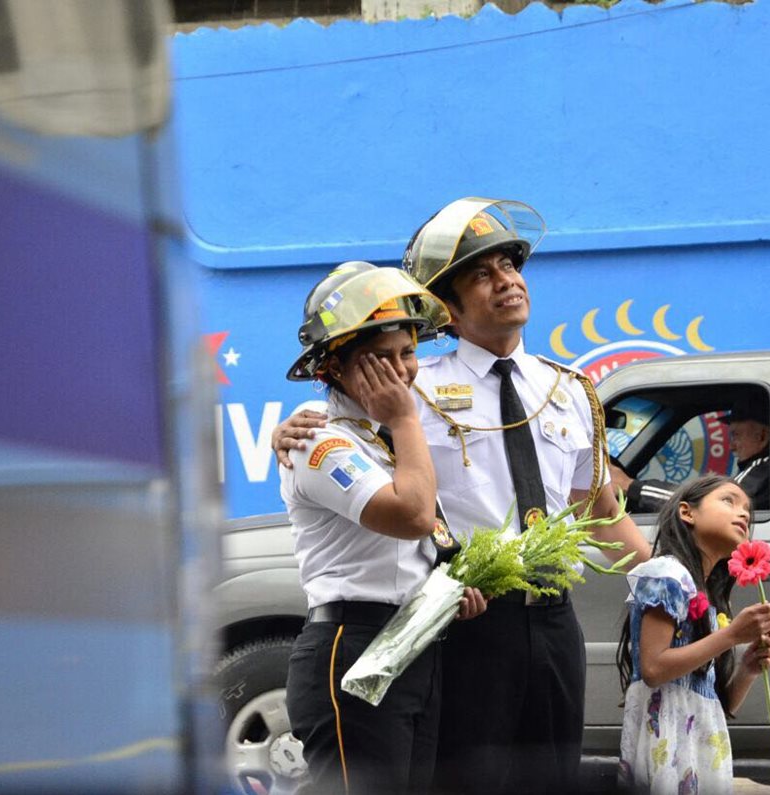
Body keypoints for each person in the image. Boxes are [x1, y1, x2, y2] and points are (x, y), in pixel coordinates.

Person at [275, 198, 652, 794]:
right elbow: (349, 438)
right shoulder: (408, 389)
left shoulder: (571, 388)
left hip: (555, 620)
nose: (507, 282)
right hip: (466, 623)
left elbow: (597, 510)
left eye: (511, 266)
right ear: (447, 308)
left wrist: (663, 582)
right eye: (483, 273)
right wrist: (290, 429)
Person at [280, 261, 486, 795]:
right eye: (379, 359)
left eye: (408, 353)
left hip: (412, 642)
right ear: (334, 369)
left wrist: (450, 590)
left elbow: (425, 539)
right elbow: (412, 516)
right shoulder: (319, 440)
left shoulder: (385, 437)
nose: (401, 372)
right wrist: (405, 418)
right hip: (353, 645)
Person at [615, 474, 770, 794]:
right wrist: (730, 636)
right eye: (728, 501)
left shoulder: (707, 592)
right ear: (688, 512)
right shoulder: (667, 574)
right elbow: (654, 669)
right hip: (667, 738)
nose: (743, 513)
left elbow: (715, 698)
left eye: (747, 509)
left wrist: (747, 669)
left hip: (698, 742)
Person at [611, 401, 770, 515]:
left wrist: (630, 486)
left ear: (762, 437)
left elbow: (708, 506)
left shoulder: (763, 467)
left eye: (736, 435)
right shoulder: (764, 471)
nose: (731, 446)